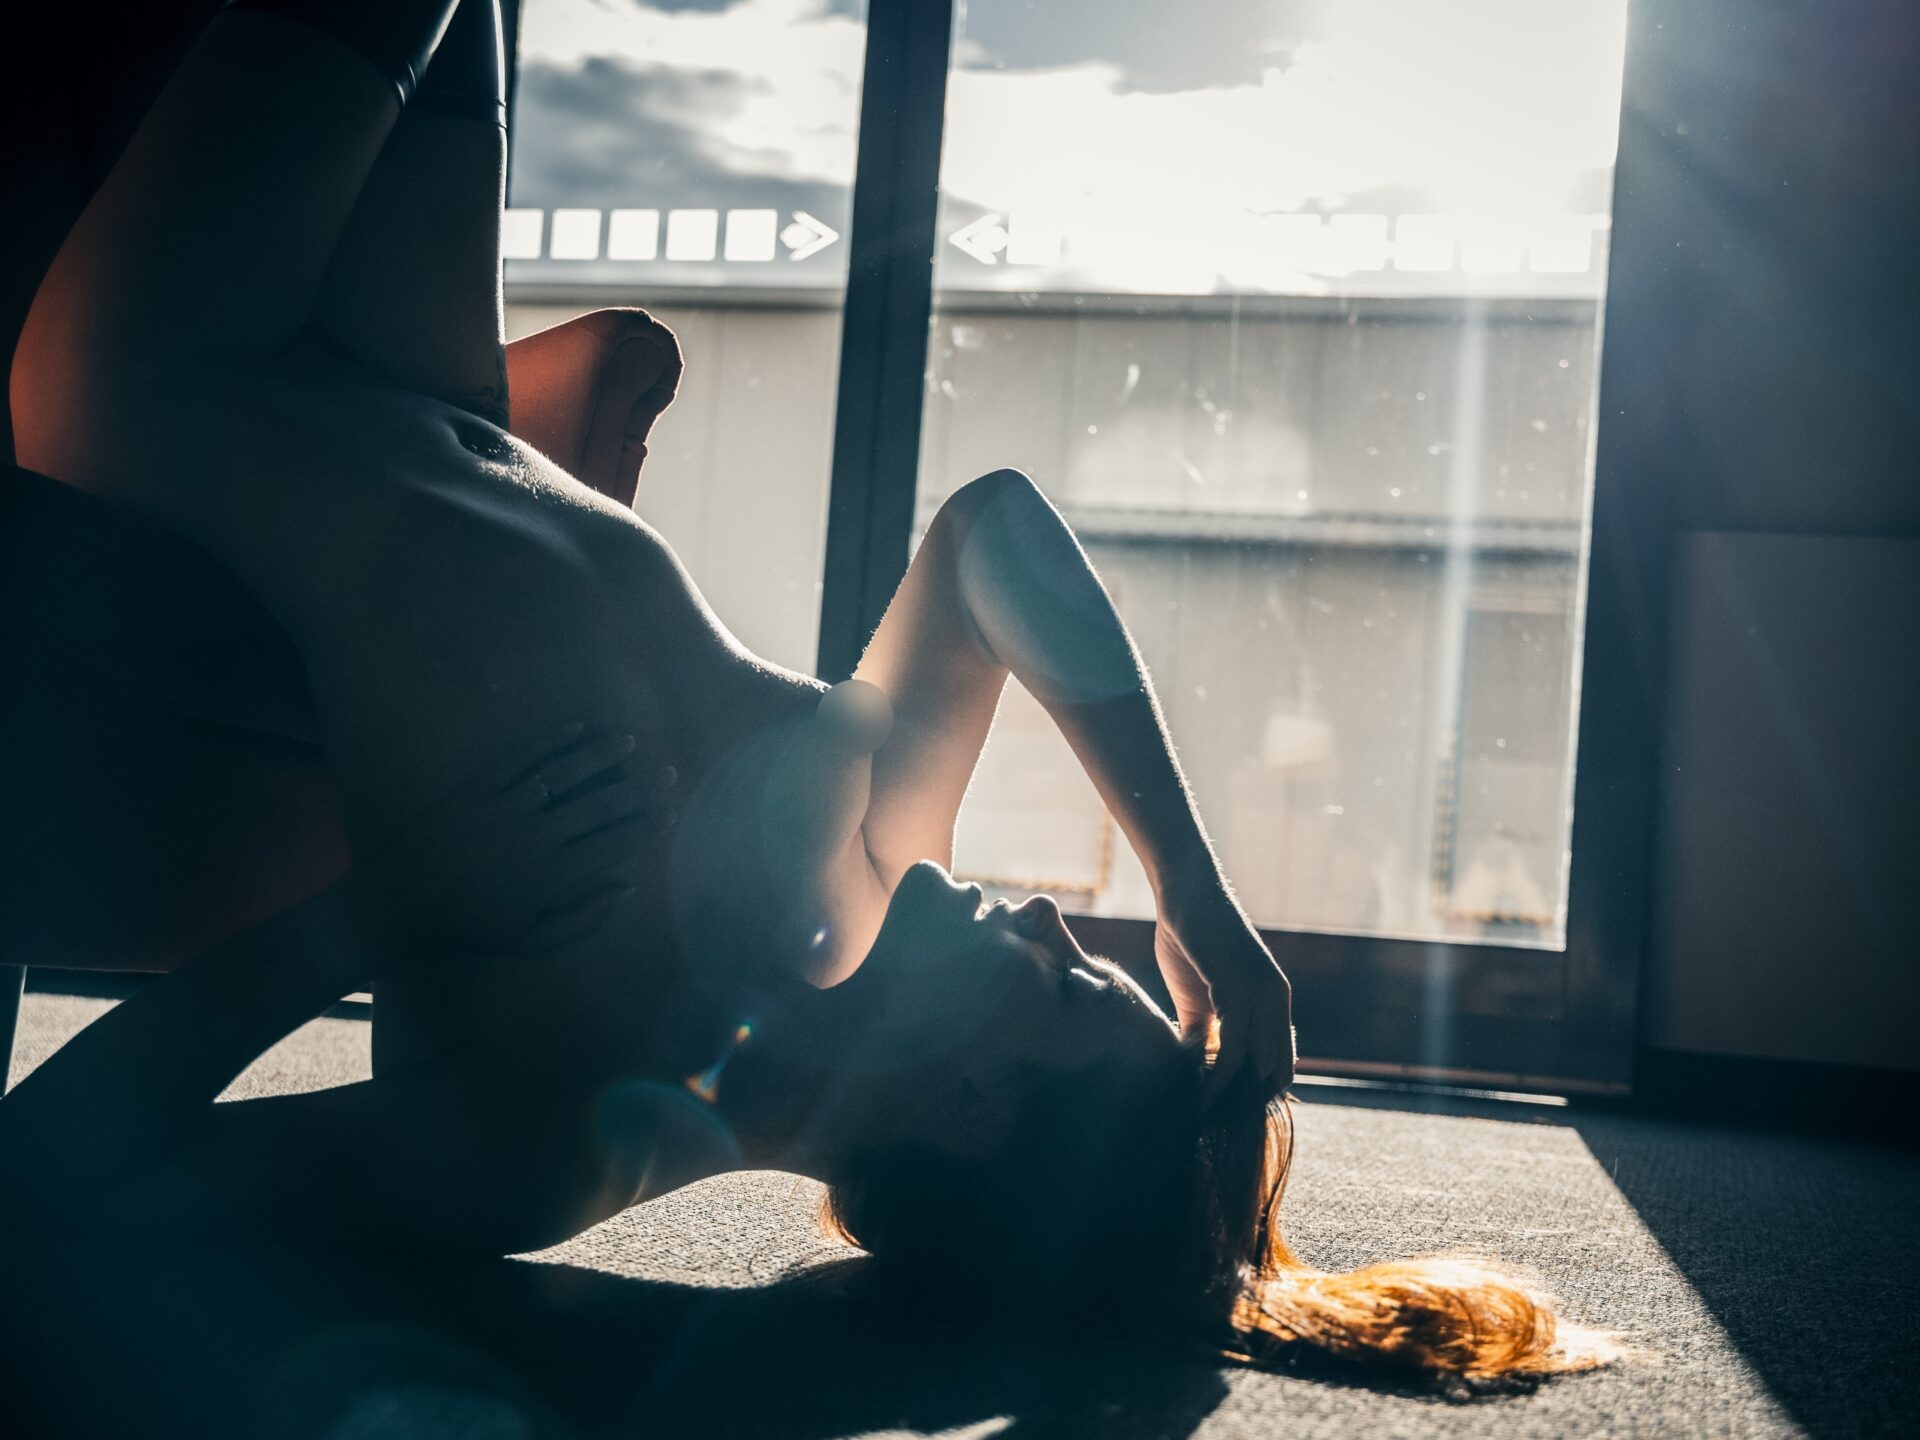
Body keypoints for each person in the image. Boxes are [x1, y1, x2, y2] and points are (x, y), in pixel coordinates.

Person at [3, 0, 1613, 1380]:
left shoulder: (548, 1136)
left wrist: (375, 917)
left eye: (1071, 989)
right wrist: (1197, 889)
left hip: (169, 384)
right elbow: (993, 531)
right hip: (410, 376)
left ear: (973, 1110)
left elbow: (49, 1176)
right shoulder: (876, 844)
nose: (1055, 920)